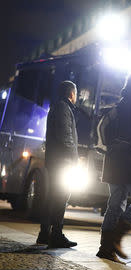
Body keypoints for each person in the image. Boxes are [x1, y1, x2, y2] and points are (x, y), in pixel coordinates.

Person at [96, 71, 131, 264]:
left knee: (115, 204)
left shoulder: (122, 101)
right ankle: (116, 238)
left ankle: (105, 249)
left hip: (113, 158)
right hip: (129, 160)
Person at [36, 81, 79, 248]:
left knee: (53, 196)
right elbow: (65, 137)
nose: (77, 97)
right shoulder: (63, 108)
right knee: (60, 197)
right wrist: (74, 159)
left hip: (56, 161)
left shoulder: (58, 107)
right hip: (63, 162)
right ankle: (56, 235)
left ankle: (44, 233)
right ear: (71, 94)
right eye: (76, 93)